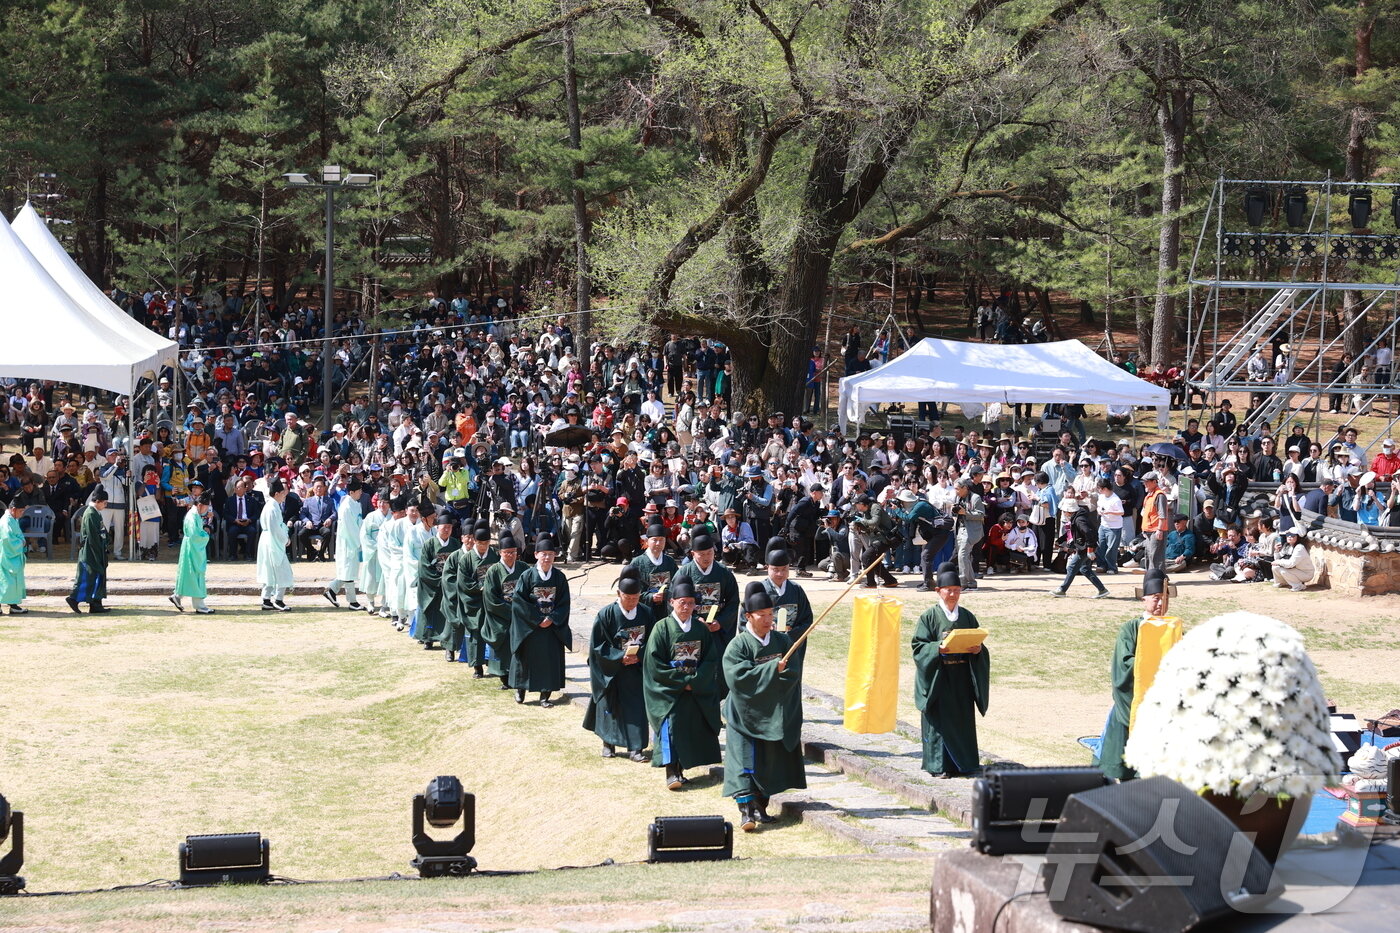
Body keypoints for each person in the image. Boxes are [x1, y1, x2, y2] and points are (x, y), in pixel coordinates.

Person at [722, 585, 806, 831]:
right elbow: (737, 677)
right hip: (744, 714)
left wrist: (776, 675)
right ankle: (746, 812)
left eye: (771, 614)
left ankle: (761, 807)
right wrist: (771, 669)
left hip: (772, 712)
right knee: (744, 762)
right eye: (763, 615)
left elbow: (792, 673)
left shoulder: (782, 640)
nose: (769, 620)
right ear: (749, 616)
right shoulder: (738, 646)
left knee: (768, 761)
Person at [1095, 569, 1182, 780]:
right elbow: (1124, 663)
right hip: (1133, 702)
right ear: (1144, 599)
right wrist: (1157, 667)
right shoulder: (1131, 628)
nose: (1160, 604)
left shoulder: (1174, 629)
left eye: (1164, 598)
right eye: (1155, 599)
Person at [643, 577, 723, 790]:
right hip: (671, 692)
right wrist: (681, 682)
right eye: (682, 603)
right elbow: (654, 663)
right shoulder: (662, 628)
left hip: (695, 689)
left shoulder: (700, 628)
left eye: (690, 603)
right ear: (672, 602)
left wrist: (694, 681)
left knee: (692, 728)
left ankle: (683, 769)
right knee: (672, 728)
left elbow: (710, 659)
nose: (686, 607)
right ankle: (672, 772)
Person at [912, 562, 989, 778]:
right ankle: (939, 765)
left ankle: (966, 764)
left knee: (962, 721)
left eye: (957, 590)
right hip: (939, 678)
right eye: (949, 590)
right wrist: (938, 648)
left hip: (962, 677)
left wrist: (977, 650)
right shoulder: (929, 617)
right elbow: (918, 647)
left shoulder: (966, 616)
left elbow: (978, 641)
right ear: (938, 591)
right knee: (940, 723)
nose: (953, 595)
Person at [583, 566, 655, 762]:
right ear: (618, 594)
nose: (632, 602)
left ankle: (636, 747)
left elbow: (653, 640)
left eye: (636, 598)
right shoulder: (606, 614)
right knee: (611, 705)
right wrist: (618, 657)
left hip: (636, 669)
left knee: (636, 707)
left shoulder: (646, 613)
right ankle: (608, 743)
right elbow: (597, 645)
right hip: (612, 670)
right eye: (628, 598)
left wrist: (639, 654)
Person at [510, 533, 572, 706]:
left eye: (550, 554)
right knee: (525, 657)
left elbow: (564, 602)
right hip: (530, 626)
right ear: (536, 554)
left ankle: (545, 694)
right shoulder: (527, 576)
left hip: (551, 626)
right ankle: (520, 689)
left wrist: (552, 618)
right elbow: (519, 601)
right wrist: (537, 619)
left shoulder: (559, 577)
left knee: (549, 659)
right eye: (543, 554)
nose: (547, 558)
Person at [672, 532, 740, 656]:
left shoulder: (724, 573)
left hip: (717, 629)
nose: (706, 557)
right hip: (691, 627)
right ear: (693, 554)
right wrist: (695, 620)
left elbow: (733, 602)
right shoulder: (683, 573)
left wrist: (721, 622)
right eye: (702, 554)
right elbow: (673, 603)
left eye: (709, 553)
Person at [446, 524, 496, 670]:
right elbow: (464, 582)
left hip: (491, 600)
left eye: (486, 543)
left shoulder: (494, 555)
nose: (483, 547)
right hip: (473, 601)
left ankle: (493, 662)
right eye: (480, 543)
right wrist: (480, 588)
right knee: (475, 632)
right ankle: (477, 665)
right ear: (475, 542)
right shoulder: (466, 559)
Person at [481, 533, 527, 690]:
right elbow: (490, 598)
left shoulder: (523, 568)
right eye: (507, 552)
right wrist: (511, 610)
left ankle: (520, 674)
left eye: (514, 552)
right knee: (502, 643)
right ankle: (504, 676)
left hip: (520, 616)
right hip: (501, 616)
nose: (511, 555)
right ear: (500, 552)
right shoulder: (493, 571)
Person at [761, 548, 813, 665]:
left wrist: (790, 636)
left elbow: (806, 619)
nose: (780, 574)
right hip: (766, 644)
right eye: (775, 570)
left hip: (791, 644)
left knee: (791, 677)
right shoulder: (759, 589)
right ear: (767, 567)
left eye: (784, 569)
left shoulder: (796, 590)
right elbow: (747, 620)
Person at [415, 512, 459, 649]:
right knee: (430, 610)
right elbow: (424, 567)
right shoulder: (429, 544)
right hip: (432, 585)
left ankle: (446, 640)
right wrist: (440, 580)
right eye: (444, 527)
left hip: (449, 585)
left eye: (449, 527)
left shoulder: (455, 544)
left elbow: (459, 565)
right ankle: (428, 638)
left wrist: (450, 581)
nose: (447, 530)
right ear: (437, 527)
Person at [1051, 497, 1110, 598]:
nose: (1064, 513)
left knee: (1071, 567)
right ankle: (1102, 590)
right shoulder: (1078, 517)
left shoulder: (1079, 520)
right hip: (1085, 546)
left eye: (1064, 511)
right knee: (1084, 569)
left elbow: (1088, 533)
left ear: (1069, 511)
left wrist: (1090, 549)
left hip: (1085, 547)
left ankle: (1062, 590)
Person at [66, 488, 111, 614]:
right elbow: (92, 537)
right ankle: (74, 599)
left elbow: (102, 531)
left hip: (97, 550)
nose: (105, 505)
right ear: (97, 501)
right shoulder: (90, 514)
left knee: (95, 577)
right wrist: (98, 554)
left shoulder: (95, 512)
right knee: (87, 577)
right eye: (104, 502)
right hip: (91, 551)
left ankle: (96, 603)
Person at [170, 494, 215, 614]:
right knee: (195, 573)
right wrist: (206, 535)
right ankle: (199, 605)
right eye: (206, 507)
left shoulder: (194, 514)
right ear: (200, 505)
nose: (207, 509)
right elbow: (195, 536)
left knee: (188, 574)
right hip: (193, 548)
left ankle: (177, 596)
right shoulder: (193, 515)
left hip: (191, 547)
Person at [324, 478, 365, 608]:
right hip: (348, 542)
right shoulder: (346, 506)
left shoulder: (356, 503)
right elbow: (349, 528)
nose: (360, 493)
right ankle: (352, 601)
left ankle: (332, 590)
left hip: (355, 540)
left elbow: (359, 522)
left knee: (350, 571)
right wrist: (358, 542)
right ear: (351, 492)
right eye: (359, 491)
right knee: (348, 570)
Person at [256, 478, 294, 611]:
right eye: (283, 493)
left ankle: (267, 600)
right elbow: (276, 529)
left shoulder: (273, 506)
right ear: (277, 493)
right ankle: (278, 599)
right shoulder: (272, 507)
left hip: (270, 540)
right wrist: (286, 539)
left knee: (270, 572)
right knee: (282, 572)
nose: (285, 495)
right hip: (272, 542)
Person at [630, 523, 678, 620]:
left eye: (661, 540)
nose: (658, 543)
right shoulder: (637, 562)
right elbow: (630, 590)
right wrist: (650, 597)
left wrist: (667, 594)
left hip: (666, 609)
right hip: (645, 610)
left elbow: (677, 585)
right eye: (654, 540)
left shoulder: (669, 561)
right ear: (647, 541)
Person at [357, 494, 390, 615]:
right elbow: (364, 535)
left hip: (387, 553)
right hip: (373, 552)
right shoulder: (371, 517)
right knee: (370, 579)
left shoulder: (392, 517)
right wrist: (375, 546)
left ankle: (384, 605)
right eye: (380, 502)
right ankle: (370, 602)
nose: (382, 505)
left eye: (385, 502)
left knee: (386, 579)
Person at [951, 477, 985, 589]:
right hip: (960, 529)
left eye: (957, 489)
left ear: (965, 488)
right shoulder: (958, 497)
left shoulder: (975, 498)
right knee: (964, 557)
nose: (955, 491)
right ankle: (971, 582)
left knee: (962, 555)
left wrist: (966, 513)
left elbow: (981, 515)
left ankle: (963, 581)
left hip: (971, 530)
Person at [0, 500, 28, 614]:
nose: (22, 513)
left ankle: (13, 605)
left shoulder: (12, 519)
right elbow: (8, 540)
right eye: (21, 511)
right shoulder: (6, 521)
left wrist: (22, 541)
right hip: (7, 555)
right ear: (13, 509)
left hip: (13, 555)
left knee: (12, 581)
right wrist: (21, 543)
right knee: (5, 582)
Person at [1138, 471, 1169, 572]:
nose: (1145, 484)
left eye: (1147, 482)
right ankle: (1152, 577)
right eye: (1144, 482)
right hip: (1148, 531)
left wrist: (1159, 530)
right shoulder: (1149, 495)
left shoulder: (1159, 495)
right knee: (1149, 555)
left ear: (1154, 482)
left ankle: (1159, 578)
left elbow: (1162, 515)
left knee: (1156, 556)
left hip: (1156, 530)